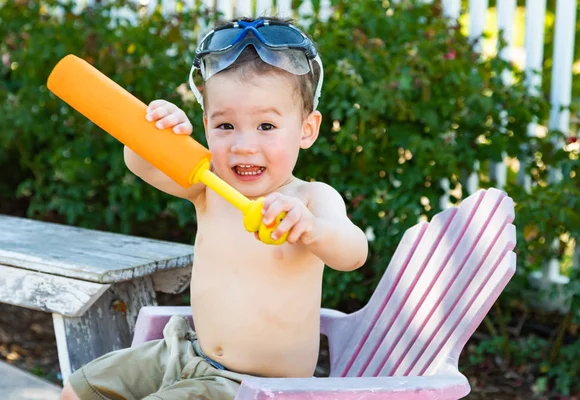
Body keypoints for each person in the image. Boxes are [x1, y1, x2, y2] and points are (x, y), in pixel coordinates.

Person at [61, 16, 368, 400]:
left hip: (257, 388)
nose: (243, 145)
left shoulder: (310, 199)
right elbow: (141, 163)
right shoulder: (210, 188)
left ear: (307, 129)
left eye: (266, 126)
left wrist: (312, 229)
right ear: (206, 125)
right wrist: (157, 132)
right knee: (78, 389)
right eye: (225, 126)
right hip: (187, 352)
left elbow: (354, 252)